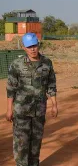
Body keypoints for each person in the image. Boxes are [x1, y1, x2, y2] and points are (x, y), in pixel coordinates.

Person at [6, 32, 58, 166]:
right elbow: (11, 88)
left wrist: (54, 105)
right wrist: (9, 109)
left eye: (35, 45)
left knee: (36, 142)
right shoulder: (16, 64)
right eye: (29, 47)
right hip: (21, 111)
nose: (33, 49)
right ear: (24, 47)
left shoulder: (47, 63)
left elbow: (51, 85)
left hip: (39, 111)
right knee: (21, 143)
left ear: (38, 45)